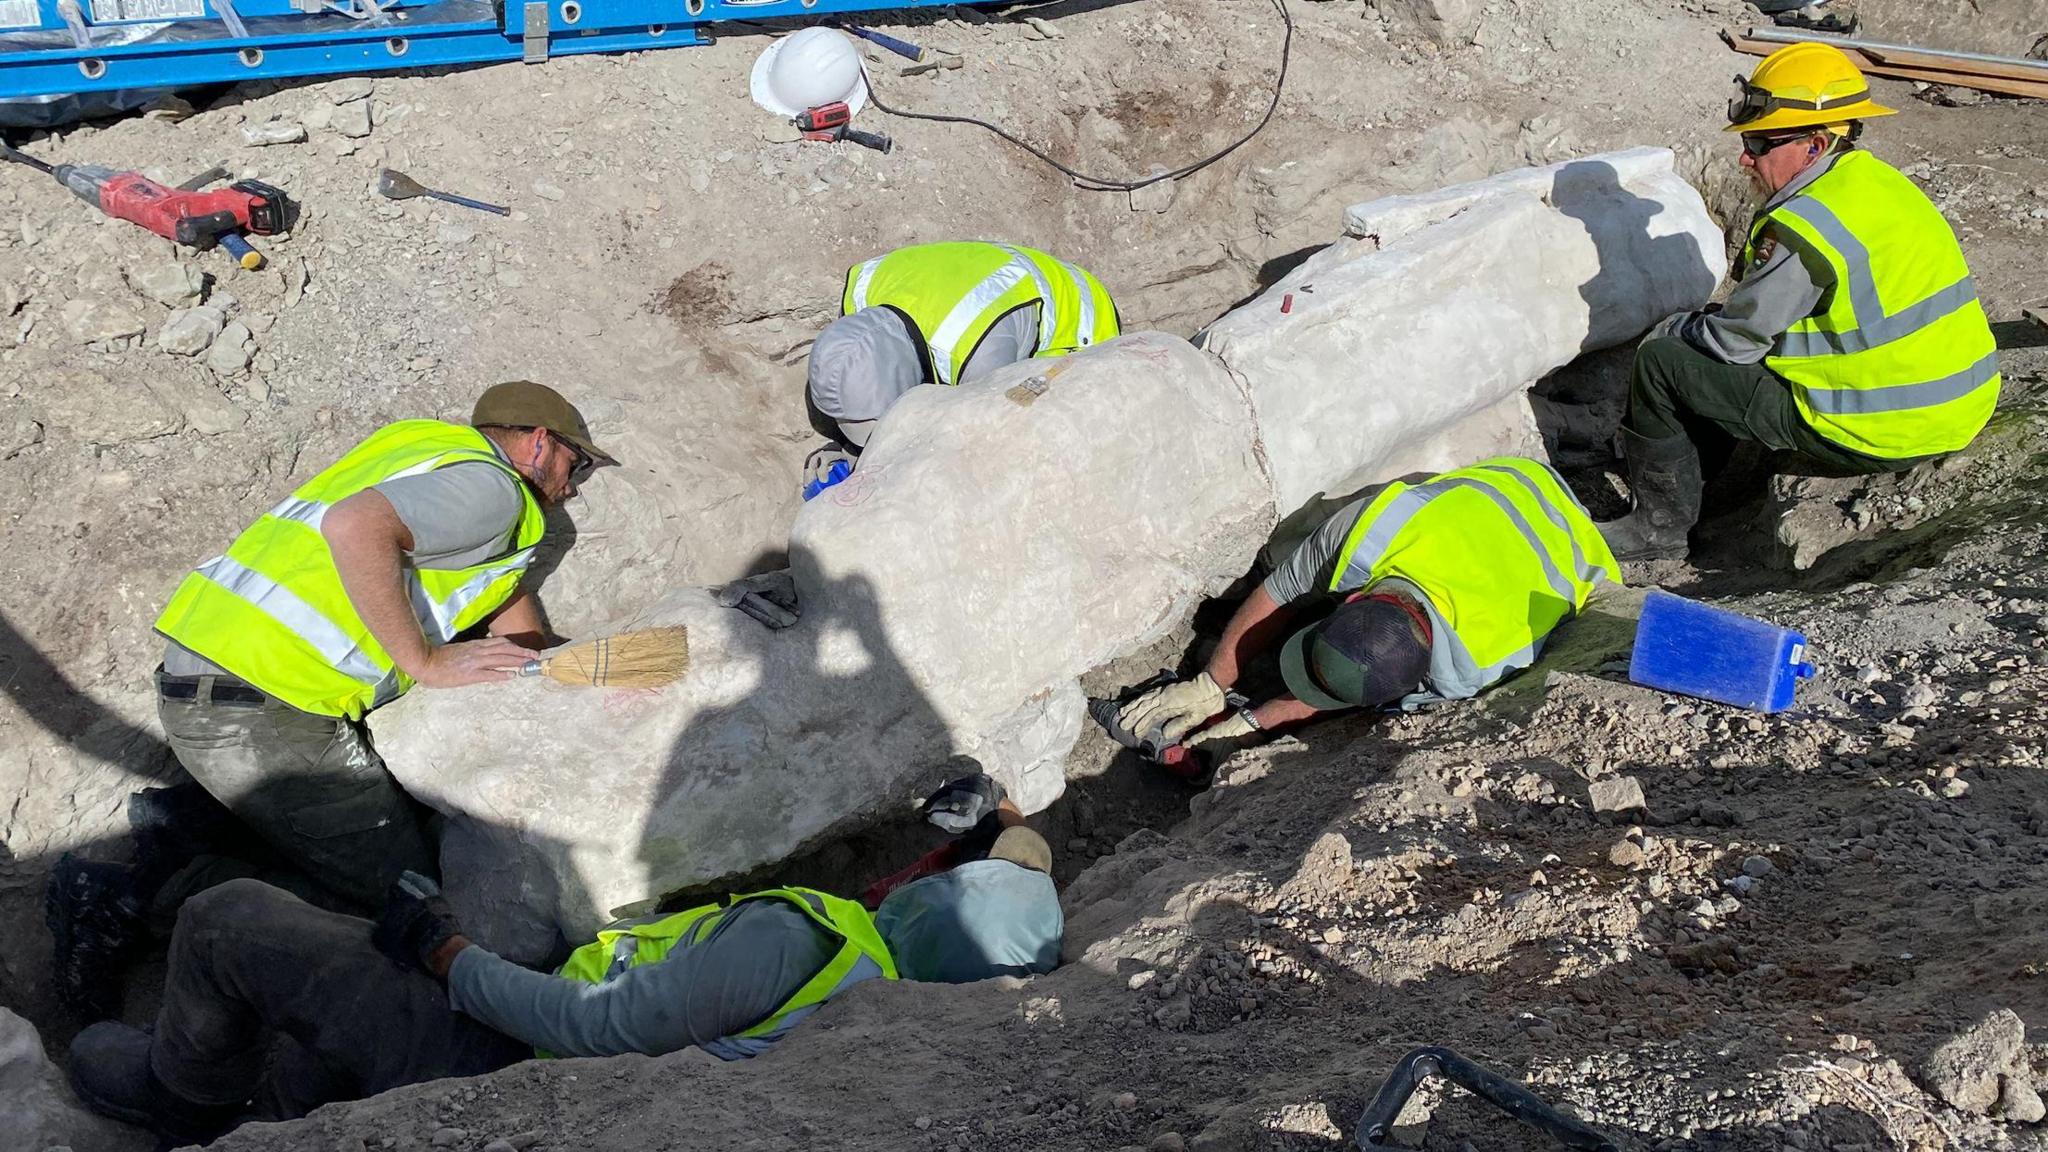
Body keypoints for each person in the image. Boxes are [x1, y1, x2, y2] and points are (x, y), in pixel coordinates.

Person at [64, 773, 1062, 1146]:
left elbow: (589, 1033)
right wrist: (1008, 822)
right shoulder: (890, 1004)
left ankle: (183, 1102)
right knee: (328, 1018)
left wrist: (444, 953)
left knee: (230, 916)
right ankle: (298, 1087)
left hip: (501, 1058)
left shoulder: (798, 942)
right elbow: (1019, 877)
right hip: (549, 1027)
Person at [46, 381, 613, 1020]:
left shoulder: (426, 455)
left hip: (221, 671)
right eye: (578, 463)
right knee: (407, 908)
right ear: (539, 442)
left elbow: (497, 595)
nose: (576, 483)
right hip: (260, 704)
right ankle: (127, 901)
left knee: (371, 818)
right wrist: (423, 662)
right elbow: (357, 526)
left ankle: (193, 825)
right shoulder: (494, 491)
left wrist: (553, 668)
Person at [1601, 42, 2000, 561]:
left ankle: (1658, 530)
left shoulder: (1805, 227)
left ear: (1814, 144)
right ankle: (1710, 483)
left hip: (1878, 426)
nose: (1746, 156)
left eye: (1761, 142)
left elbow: (1735, 343)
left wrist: (1677, 329)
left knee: (1662, 363)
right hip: (1959, 404)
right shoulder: (1879, 184)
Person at [1109, 458, 1618, 758]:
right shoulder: (1370, 534)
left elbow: (1356, 692)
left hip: (1582, 550)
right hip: (1515, 479)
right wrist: (1211, 683)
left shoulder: (1471, 672)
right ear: (1352, 596)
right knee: (1296, 541)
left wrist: (1256, 722)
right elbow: (1283, 589)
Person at [803, 241, 1120, 481]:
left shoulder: (977, 355)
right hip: (987, 276)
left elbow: (974, 450)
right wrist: (849, 448)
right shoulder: (862, 291)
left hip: (1078, 320)